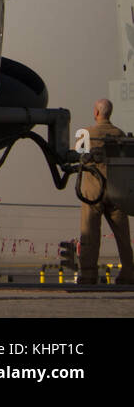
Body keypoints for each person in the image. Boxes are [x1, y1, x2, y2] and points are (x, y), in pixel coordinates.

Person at [78, 99, 134, 285]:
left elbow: (77, 155)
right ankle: (128, 273)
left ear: (96, 113)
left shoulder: (87, 134)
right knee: (123, 236)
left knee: (90, 234)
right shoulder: (119, 134)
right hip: (117, 191)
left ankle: (88, 274)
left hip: (92, 192)